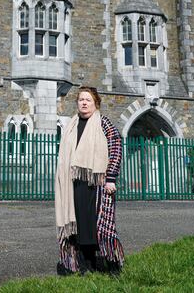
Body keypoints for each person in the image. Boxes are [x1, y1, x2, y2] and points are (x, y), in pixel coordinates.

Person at [55, 86, 124, 275]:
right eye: (81, 100)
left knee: (102, 226)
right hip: (75, 183)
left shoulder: (104, 123)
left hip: (99, 184)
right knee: (81, 225)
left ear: (96, 103)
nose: (84, 103)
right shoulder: (71, 125)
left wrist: (111, 178)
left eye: (88, 100)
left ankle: (112, 266)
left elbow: (116, 149)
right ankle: (85, 265)